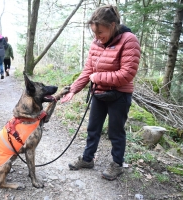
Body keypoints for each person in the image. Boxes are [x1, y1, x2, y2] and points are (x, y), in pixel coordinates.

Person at [61, 5, 140, 181]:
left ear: (112, 25)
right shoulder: (96, 43)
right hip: (99, 94)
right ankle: (88, 159)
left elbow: (127, 74)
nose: (97, 38)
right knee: (93, 129)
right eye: (95, 34)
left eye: (101, 33)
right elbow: (88, 71)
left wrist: (98, 77)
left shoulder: (129, 40)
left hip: (119, 95)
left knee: (115, 132)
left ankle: (117, 164)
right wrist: (73, 90)